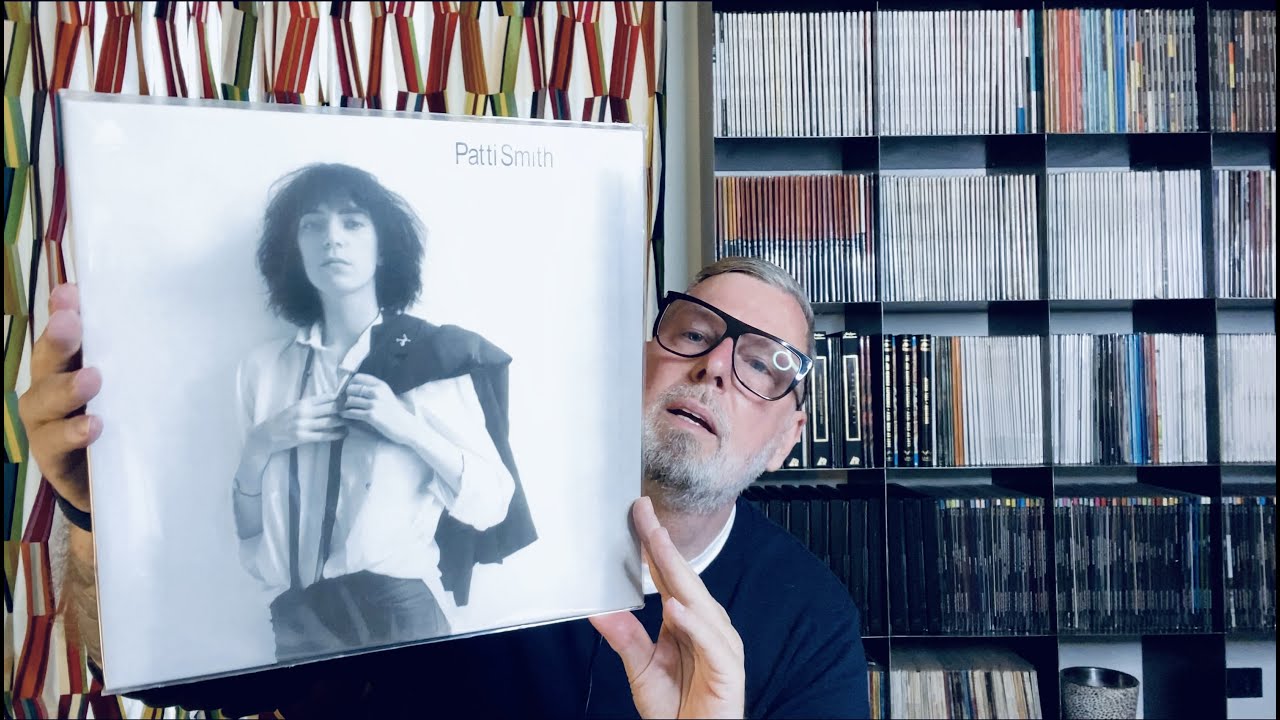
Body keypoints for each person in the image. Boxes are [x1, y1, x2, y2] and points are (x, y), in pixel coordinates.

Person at [19, 257, 870, 718]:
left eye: (765, 365)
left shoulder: (813, 622)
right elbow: (190, 675)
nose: (716, 366)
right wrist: (101, 510)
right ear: (637, 362)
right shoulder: (452, 514)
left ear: (786, 440)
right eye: (694, 332)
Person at [230, 162, 535, 661]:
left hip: (401, 619)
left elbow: (491, 504)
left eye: (352, 222)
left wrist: (407, 429)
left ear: (383, 245)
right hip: (298, 624)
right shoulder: (262, 372)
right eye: (312, 225)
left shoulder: (428, 358)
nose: (332, 238)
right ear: (294, 248)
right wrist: (261, 444)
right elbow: (249, 538)